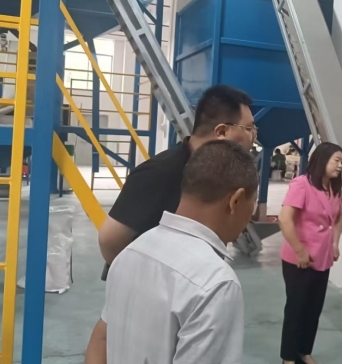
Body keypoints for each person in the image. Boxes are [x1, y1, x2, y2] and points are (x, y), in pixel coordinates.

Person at [85, 140, 259, 364]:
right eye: (252, 204)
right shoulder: (215, 283)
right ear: (235, 200)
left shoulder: (131, 252)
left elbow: (100, 340)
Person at [98, 84, 255, 265]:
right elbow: (110, 241)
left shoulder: (220, 172)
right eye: (248, 129)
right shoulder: (160, 172)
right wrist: (147, 274)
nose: (253, 138)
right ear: (221, 132)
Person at [278, 142, 342, 364]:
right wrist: (299, 250)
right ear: (322, 160)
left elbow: (337, 218)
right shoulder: (302, 184)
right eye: (336, 160)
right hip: (300, 259)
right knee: (296, 308)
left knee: (313, 308)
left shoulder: (334, 188)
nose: (340, 165)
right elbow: (285, 219)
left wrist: (335, 243)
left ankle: (304, 352)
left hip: (322, 257)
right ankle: (288, 358)